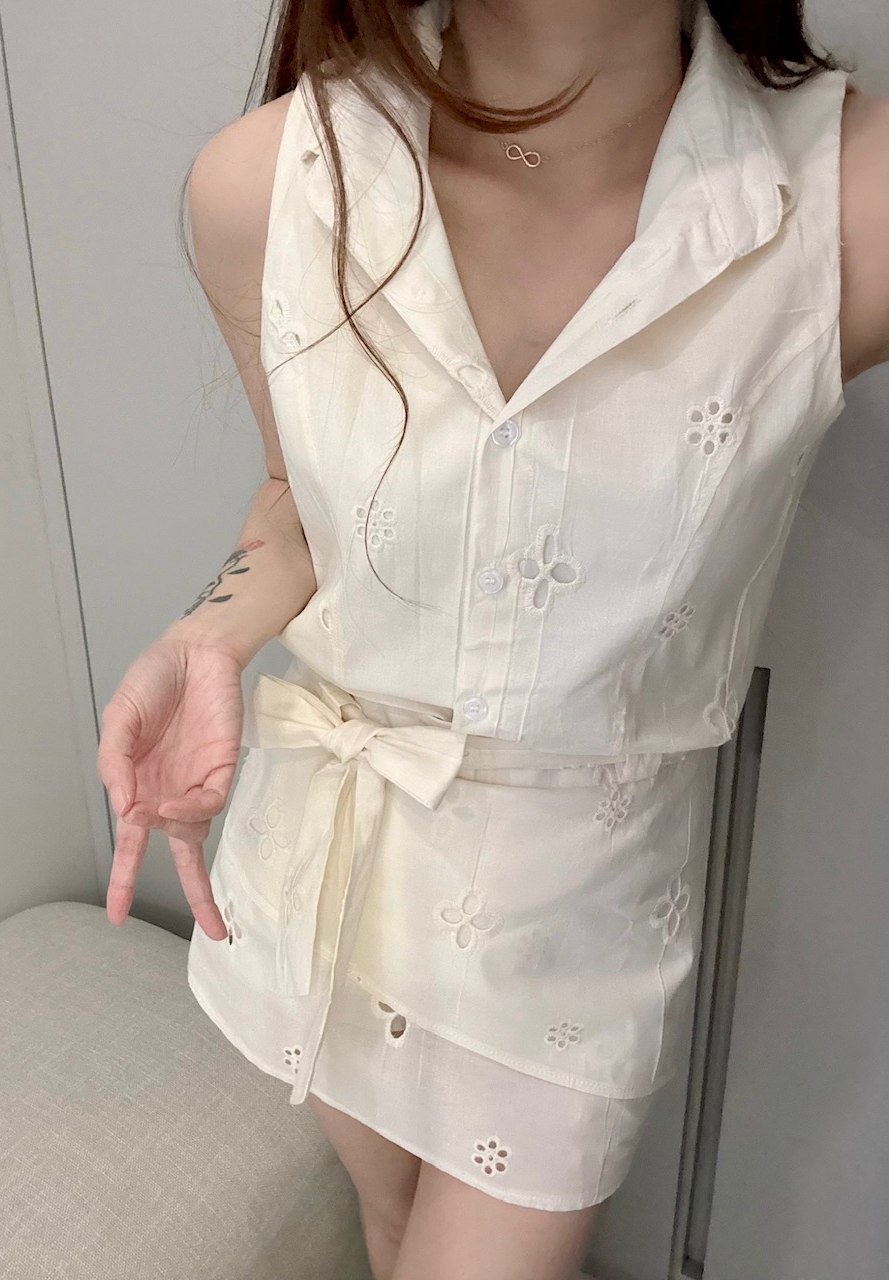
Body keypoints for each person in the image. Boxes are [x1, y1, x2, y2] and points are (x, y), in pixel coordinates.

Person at [97, 0, 889, 1276]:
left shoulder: (849, 195)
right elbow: (299, 499)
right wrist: (208, 632)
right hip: (327, 864)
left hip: (571, 932)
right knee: (389, 1227)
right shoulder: (263, 186)